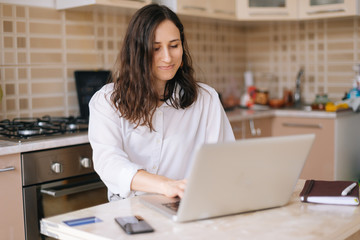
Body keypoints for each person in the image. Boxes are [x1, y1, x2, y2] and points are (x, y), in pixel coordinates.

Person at [88, 3, 235, 201]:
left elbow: (225, 161)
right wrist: (165, 185)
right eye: (155, 48)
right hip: (129, 210)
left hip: (186, 206)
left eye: (174, 46)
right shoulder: (107, 101)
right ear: (137, 53)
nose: (167, 57)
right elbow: (109, 162)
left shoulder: (206, 99)